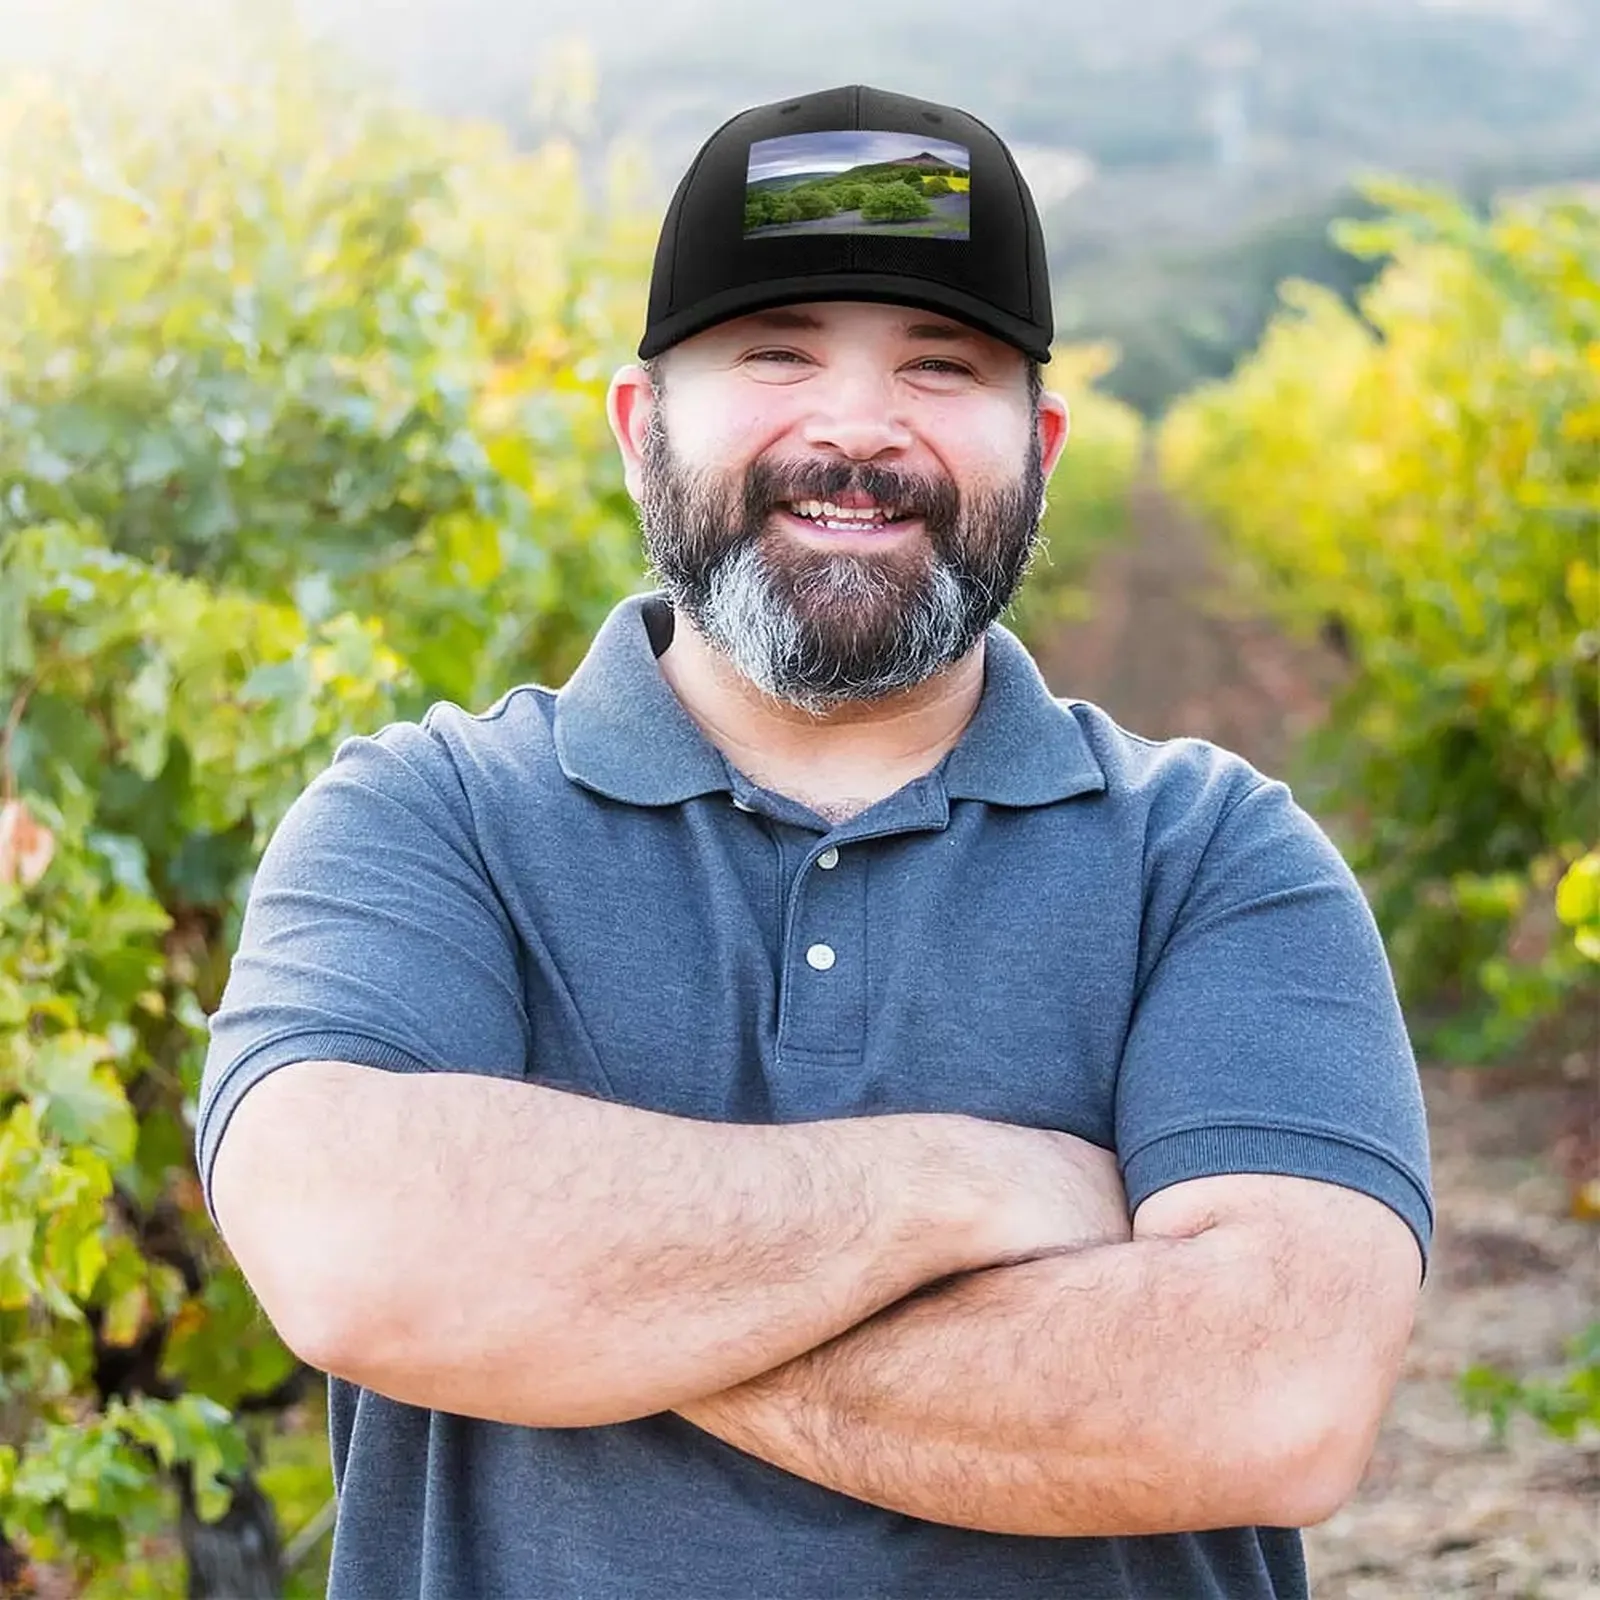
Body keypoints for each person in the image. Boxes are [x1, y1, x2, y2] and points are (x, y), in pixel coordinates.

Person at [199, 83, 1433, 1600]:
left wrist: (567, 1300)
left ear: (1040, 447)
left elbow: (1269, 1400)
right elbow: (355, 1253)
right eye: (775, 354)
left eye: (941, 365)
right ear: (641, 429)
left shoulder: (1215, 858)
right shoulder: (423, 818)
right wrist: (966, 1188)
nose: (857, 428)